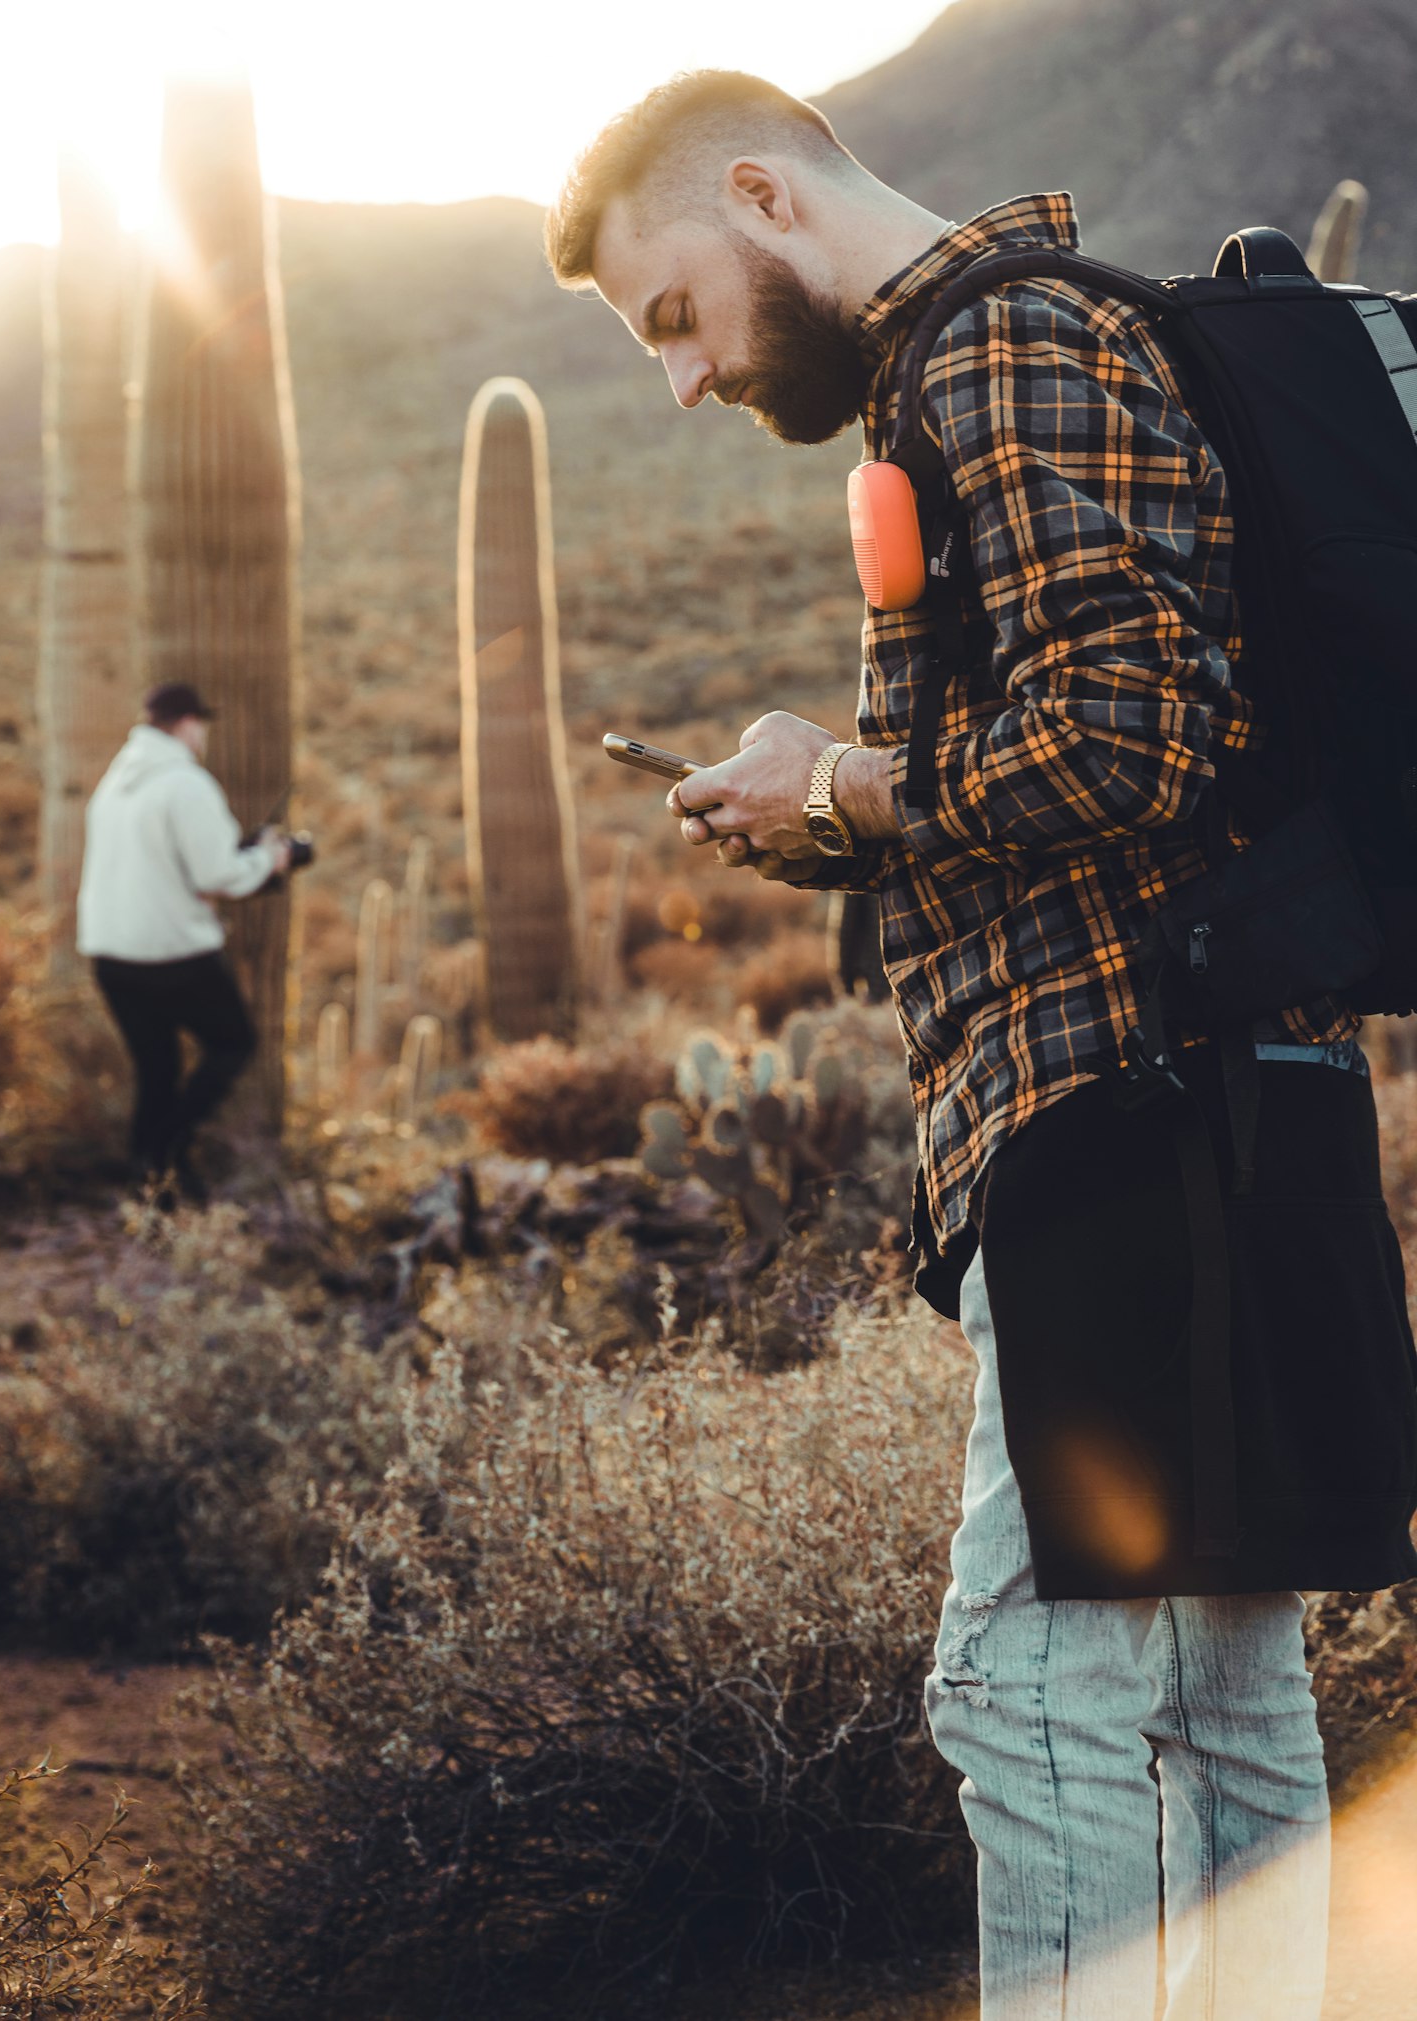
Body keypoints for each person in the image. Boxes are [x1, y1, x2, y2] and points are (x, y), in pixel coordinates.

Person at [546, 71, 1417, 2021]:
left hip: (1120, 1104)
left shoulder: (993, 345)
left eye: (667, 316)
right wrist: (832, 811)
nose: (677, 382)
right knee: (1214, 1685)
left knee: (1017, 1682)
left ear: (758, 193)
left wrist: (843, 779)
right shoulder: (990, 355)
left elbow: (1127, 738)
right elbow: (1103, 761)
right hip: (1215, 1088)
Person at [76, 681, 292, 1200]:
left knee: (158, 1067)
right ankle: (170, 1152)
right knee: (233, 1042)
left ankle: (148, 1176)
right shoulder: (185, 783)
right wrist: (269, 859)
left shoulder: (116, 779)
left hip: (110, 953)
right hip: (171, 953)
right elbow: (217, 875)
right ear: (190, 724)